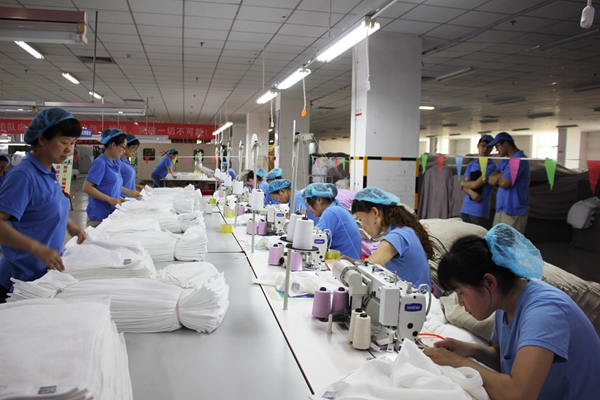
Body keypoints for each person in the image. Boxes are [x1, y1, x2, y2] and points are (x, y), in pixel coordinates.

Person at [423, 223, 600, 399]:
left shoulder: (544, 313)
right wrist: (471, 350)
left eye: (461, 293)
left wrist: (457, 362)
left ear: (489, 282)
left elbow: (519, 395)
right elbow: (509, 357)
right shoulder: (506, 302)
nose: (460, 303)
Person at [0, 108, 86, 302]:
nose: (69, 149)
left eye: (72, 143)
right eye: (64, 142)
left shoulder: (48, 173)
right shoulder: (24, 175)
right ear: (41, 139)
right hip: (18, 281)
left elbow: (45, 206)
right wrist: (36, 248)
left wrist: (71, 226)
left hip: (41, 276)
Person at [347, 187, 432, 287]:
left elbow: (366, 270)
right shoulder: (405, 230)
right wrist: (352, 262)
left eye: (360, 219)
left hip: (412, 295)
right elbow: (369, 264)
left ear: (375, 212)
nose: (363, 226)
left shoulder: (396, 237)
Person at [83, 129, 129, 225]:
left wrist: (121, 199)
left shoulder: (114, 163)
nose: (124, 151)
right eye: (123, 147)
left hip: (110, 215)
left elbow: (109, 188)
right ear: (113, 145)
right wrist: (108, 199)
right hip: (99, 217)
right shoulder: (100, 163)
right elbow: (87, 187)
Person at [303, 183, 361, 259]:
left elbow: (314, 240)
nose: (309, 209)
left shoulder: (330, 212)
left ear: (319, 200)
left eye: (309, 204)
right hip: (348, 261)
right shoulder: (338, 208)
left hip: (342, 262)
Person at [487, 132, 530, 234]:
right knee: (496, 240)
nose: (496, 150)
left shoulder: (518, 159)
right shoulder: (505, 161)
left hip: (513, 211)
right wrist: (502, 175)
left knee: (510, 242)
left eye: (497, 146)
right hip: (501, 209)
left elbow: (505, 183)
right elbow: (491, 180)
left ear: (506, 144)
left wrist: (499, 176)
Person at [460, 135, 497, 229]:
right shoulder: (471, 164)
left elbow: (476, 184)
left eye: (488, 147)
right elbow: (463, 185)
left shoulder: (491, 166)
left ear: (491, 149)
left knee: (478, 234)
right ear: (478, 146)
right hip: (466, 207)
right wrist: (471, 192)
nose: (485, 149)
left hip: (479, 209)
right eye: (483, 146)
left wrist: (464, 184)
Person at [117, 133, 143, 197]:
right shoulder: (118, 162)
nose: (134, 151)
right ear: (124, 146)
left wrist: (136, 186)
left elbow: (125, 182)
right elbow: (113, 184)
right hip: (123, 198)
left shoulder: (126, 161)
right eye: (133, 148)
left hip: (130, 197)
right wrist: (128, 192)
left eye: (135, 149)